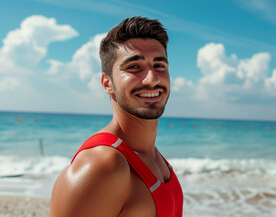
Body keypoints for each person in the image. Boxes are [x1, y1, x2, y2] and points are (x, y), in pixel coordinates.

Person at [49, 17, 183, 217]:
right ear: (107, 83)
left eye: (159, 65)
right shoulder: (102, 166)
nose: (152, 78)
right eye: (135, 67)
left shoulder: (154, 157)